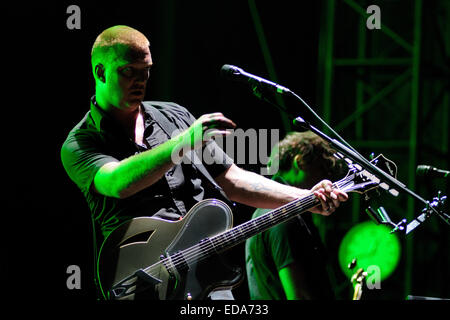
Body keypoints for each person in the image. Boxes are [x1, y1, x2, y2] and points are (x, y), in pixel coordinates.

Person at [60, 25, 348, 300]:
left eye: (146, 72)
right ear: (100, 72)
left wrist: (307, 197)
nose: (140, 81)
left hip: (205, 275)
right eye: (128, 72)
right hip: (144, 283)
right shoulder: (79, 143)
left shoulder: (173, 116)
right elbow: (118, 182)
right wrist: (184, 142)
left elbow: (231, 179)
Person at [245, 131, 347, 300]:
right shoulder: (284, 216)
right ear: (300, 162)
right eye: (322, 169)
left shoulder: (267, 210)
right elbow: (299, 294)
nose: (328, 179)